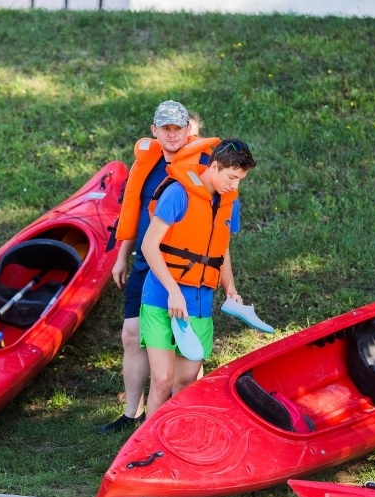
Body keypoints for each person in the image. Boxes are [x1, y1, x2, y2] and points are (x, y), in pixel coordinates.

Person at [98, 101, 219, 434]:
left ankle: (180, 415)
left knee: (185, 345)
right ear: (155, 131)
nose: (173, 134)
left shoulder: (205, 166)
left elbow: (218, 222)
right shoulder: (148, 164)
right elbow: (134, 211)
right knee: (132, 334)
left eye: (180, 128)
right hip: (144, 264)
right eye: (166, 128)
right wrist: (123, 254)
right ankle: (131, 414)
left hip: (183, 270)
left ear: (190, 131)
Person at [140, 139, 257, 417]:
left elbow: (221, 249)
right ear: (214, 165)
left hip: (200, 300)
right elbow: (148, 245)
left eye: (240, 180)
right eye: (231, 177)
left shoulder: (230, 201)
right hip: (160, 295)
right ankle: (145, 450)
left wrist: (230, 289)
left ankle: (174, 439)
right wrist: (173, 290)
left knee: (185, 382)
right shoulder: (178, 193)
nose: (234, 186)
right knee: (162, 380)